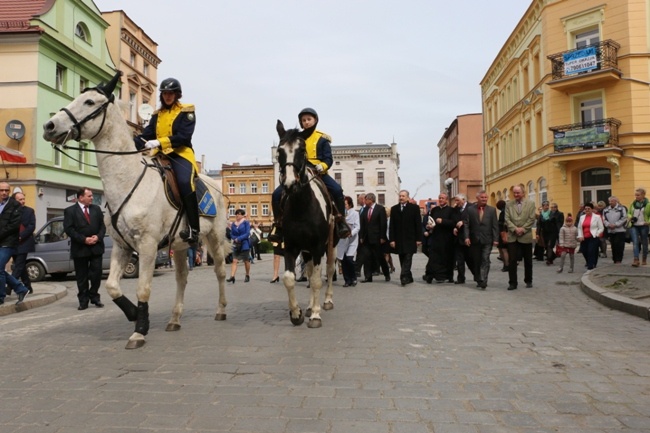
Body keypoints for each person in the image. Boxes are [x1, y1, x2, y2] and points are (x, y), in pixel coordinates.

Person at [269, 108, 350, 243]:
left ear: (315, 120)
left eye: (309, 119)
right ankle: (279, 224)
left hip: (319, 172)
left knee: (336, 190)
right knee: (276, 194)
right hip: (300, 172)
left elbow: (328, 159)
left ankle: (340, 221)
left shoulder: (322, 139)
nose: (306, 122)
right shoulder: (296, 138)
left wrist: (322, 166)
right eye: (304, 120)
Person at [134, 77, 200, 243]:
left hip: (180, 153)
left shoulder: (187, 111)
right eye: (164, 93)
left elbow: (184, 137)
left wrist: (159, 141)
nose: (168, 96)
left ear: (177, 94)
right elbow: (147, 135)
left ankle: (194, 228)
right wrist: (129, 142)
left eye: (171, 93)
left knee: (185, 182)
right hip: (160, 155)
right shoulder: (157, 114)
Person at [63, 187, 106, 310]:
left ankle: (94, 296)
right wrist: (84, 239)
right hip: (80, 249)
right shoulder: (70, 211)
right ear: (81, 197)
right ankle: (83, 300)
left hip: (96, 247)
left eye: (92, 196)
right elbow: (69, 229)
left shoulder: (96, 209)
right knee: (82, 276)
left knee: (96, 274)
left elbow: (103, 227)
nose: (92, 198)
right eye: (89, 196)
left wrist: (98, 237)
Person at [0, 182, 29, 306]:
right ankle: (20, 288)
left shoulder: (15, 205)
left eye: (6, 190)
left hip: (8, 242)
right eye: (1, 190)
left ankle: (1, 297)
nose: (4, 192)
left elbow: (13, 226)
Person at [463, 190, 499, 289]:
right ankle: (478, 278)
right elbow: (466, 224)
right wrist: (466, 237)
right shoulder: (470, 209)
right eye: (482, 197)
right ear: (477, 198)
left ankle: (483, 280)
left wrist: (496, 238)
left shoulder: (492, 210)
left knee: (485, 259)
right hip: (475, 239)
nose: (484, 199)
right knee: (476, 260)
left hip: (488, 239)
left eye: (485, 197)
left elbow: (495, 225)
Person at [504, 184, 537, 290]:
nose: (516, 194)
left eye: (518, 192)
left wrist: (523, 229)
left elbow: (532, 218)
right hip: (513, 236)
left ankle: (528, 280)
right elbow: (507, 219)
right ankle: (512, 283)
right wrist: (515, 229)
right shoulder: (509, 204)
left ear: (523, 193)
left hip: (525, 235)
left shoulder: (530, 203)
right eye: (514, 192)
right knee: (512, 260)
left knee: (528, 260)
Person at [389, 190, 423, 286]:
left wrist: (419, 239)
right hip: (399, 239)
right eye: (400, 196)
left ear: (408, 197)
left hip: (410, 238)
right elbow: (392, 226)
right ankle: (409, 277)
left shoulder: (414, 208)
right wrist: (392, 239)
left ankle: (403, 276)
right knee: (402, 257)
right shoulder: (394, 209)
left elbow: (418, 224)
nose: (401, 198)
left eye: (403, 196)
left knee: (408, 257)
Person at [422, 192, 456, 284]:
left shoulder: (451, 210)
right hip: (436, 237)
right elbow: (431, 221)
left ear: (446, 199)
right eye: (439, 198)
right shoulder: (435, 210)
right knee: (433, 257)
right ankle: (430, 275)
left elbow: (453, 223)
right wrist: (429, 226)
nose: (441, 200)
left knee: (446, 258)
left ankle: (448, 276)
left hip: (447, 238)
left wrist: (443, 221)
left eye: (443, 198)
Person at [359, 192, 390, 283]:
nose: (365, 201)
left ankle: (386, 274)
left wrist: (382, 237)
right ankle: (368, 277)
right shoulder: (365, 210)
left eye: (366, 199)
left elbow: (383, 224)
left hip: (377, 238)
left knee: (379, 257)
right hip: (366, 238)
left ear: (371, 200)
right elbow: (362, 224)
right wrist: (361, 236)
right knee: (366, 257)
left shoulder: (380, 209)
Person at [10, 192, 35, 295]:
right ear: (14, 201)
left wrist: (21, 236)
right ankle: (28, 286)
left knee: (19, 265)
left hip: (24, 241)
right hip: (12, 242)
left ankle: (9, 286)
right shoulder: (9, 211)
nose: (23, 201)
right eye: (20, 199)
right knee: (21, 265)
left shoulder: (29, 211)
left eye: (23, 199)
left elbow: (31, 226)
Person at [337, 196, 360, 287]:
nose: (344, 206)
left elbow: (357, 227)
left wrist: (351, 233)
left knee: (349, 259)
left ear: (349, 204)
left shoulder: (355, 213)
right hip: (342, 240)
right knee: (343, 261)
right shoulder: (340, 214)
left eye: (345, 204)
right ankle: (347, 280)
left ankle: (353, 278)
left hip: (351, 240)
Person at [576, 202, 605, 270]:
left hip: (593, 236)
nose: (587, 210)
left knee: (591, 250)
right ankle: (589, 262)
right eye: (585, 209)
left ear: (592, 209)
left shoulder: (597, 217)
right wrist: (580, 235)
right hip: (584, 237)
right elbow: (579, 228)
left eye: (589, 209)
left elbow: (601, 228)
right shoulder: (582, 217)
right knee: (584, 250)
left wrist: (597, 234)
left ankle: (591, 265)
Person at [452, 194, 473, 284]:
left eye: (457, 200)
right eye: (455, 201)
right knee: (459, 260)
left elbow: (474, 220)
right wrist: (454, 227)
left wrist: (463, 222)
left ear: (463, 199)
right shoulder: (456, 209)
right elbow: (454, 220)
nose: (456, 203)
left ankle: (477, 276)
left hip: (468, 237)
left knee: (470, 259)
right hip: (458, 238)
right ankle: (461, 278)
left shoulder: (471, 207)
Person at [226, 209, 251, 283]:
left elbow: (247, 233)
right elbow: (231, 234)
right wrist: (234, 238)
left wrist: (239, 238)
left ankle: (247, 275)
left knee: (246, 261)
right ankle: (232, 276)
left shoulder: (246, 223)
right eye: (236, 214)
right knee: (234, 260)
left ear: (242, 215)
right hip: (236, 245)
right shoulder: (233, 224)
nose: (237, 215)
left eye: (239, 214)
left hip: (244, 244)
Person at [627, 187, 650, 267]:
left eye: (638, 195)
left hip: (644, 225)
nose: (636, 197)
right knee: (635, 242)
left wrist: (648, 222)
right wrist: (630, 216)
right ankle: (636, 259)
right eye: (635, 195)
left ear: (643, 195)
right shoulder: (632, 204)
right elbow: (629, 212)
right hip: (634, 225)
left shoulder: (648, 204)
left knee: (644, 242)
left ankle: (644, 258)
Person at [602, 196, 628, 264]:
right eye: (609, 201)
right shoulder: (606, 209)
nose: (610, 202)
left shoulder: (621, 208)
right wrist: (608, 225)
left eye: (612, 201)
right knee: (613, 245)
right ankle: (614, 259)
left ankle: (619, 259)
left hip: (620, 230)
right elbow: (604, 219)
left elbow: (624, 218)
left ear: (616, 201)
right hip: (610, 230)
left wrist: (616, 224)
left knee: (619, 245)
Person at [496, 200, 509, 272]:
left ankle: (506, 265)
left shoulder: (503, 213)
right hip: (504, 232)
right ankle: (506, 264)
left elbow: (502, 223)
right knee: (503, 249)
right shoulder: (507, 211)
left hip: (503, 233)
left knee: (503, 250)